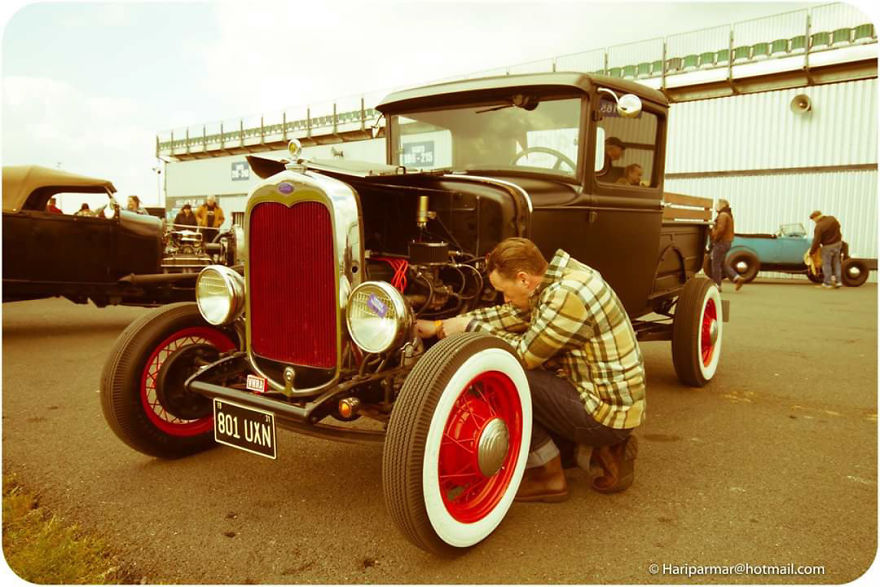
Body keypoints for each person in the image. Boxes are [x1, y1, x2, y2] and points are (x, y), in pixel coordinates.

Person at [417, 238, 645, 501]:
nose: (506, 299)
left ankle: (547, 473)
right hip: (608, 400)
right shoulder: (565, 276)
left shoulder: (566, 296)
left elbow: (523, 356)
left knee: (503, 371)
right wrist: (441, 325)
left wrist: (468, 329)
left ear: (524, 279)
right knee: (525, 375)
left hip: (604, 414)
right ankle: (599, 452)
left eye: (505, 291)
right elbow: (514, 316)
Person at [710, 199, 744, 291]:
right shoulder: (728, 215)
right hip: (727, 243)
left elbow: (720, 229)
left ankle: (717, 285)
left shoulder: (722, 215)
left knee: (715, 264)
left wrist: (714, 237)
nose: (715, 206)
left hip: (721, 242)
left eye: (717, 204)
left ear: (722, 205)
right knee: (723, 264)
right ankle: (737, 278)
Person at [809, 210, 843, 289]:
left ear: (816, 217)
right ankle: (838, 281)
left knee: (826, 264)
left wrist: (812, 252)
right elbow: (839, 227)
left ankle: (827, 283)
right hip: (838, 243)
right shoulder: (832, 219)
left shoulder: (819, 226)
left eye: (813, 219)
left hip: (827, 246)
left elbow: (816, 240)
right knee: (836, 263)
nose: (814, 221)